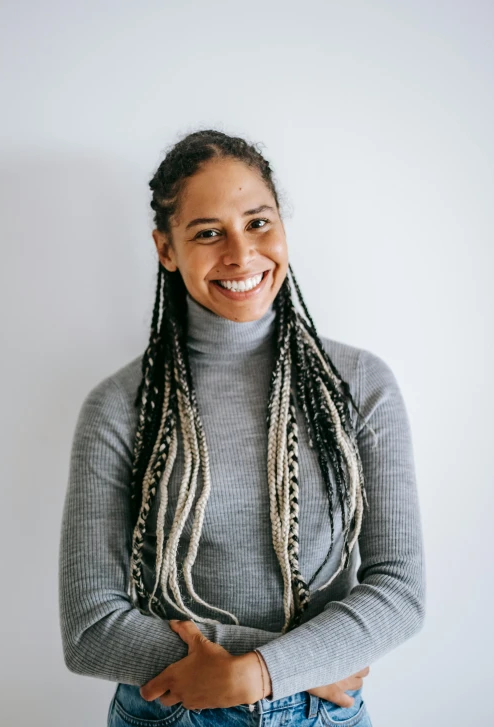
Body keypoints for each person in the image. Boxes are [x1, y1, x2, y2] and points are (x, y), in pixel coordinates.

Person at [59, 129, 426, 727]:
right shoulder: (119, 407)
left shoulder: (361, 385)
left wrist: (260, 673)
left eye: (258, 222)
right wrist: (302, 660)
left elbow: (400, 592)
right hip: (175, 711)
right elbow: (91, 630)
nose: (240, 253)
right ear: (166, 248)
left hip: (320, 712)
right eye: (208, 232)